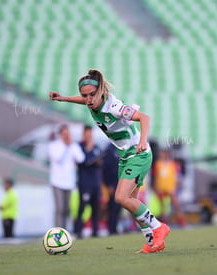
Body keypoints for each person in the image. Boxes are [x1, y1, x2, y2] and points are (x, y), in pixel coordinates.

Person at [49, 69, 170, 253]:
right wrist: (63, 98)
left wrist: (143, 141)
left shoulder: (114, 107)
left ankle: (159, 227)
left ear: (100, 92)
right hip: (125, 156)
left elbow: (144, 118)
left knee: (121, 198)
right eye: (85, 96)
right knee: (131, 202)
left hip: (139, 154)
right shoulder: (92, 103)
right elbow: (84, 100)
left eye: (91, 95)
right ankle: (152, 241)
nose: (88, 99)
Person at [48, 124, 85, 229]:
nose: (66, 136)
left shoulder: (73, 146)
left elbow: (81, 159)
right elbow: (58, 159)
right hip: (57, 181)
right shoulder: (54, 145)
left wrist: (71, 146)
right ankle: (57, 231)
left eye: (68, 134)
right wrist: (66, 147)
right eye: (64, 134)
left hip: (69, 182)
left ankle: (64, 230)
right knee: (59, 208)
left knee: (66, 209)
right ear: (60, 134)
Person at [74, 125, 102, 238]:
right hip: (84, 182)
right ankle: (78, 231)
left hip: (95, 182)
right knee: (82, 207)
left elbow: (100, 162)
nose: (89, 136)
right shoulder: (79, 147)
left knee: (95, 208)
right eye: (87, 134)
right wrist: (90, 155)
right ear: (83, 134)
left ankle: (95, 231)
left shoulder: (97, 147)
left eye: (90, 134)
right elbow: (82, 162)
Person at [153, 148, 187, 227]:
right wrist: (156, 188)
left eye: (162, 153)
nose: (161, 155)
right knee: (162, 208)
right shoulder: (157, 164)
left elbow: (178, 177)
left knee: (177, 206)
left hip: (171, 189)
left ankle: (182, 223)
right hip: (161, 188)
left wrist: (176, 187)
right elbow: (155, 177)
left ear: (166, 154)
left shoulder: (173, 164)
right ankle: (165, 224)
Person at [102, 142, 122, 235]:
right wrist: (109, 184)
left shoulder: (122, 147)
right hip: (112, 184)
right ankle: (111, 229)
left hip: (121, 182)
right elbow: (105, 168)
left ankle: (115, 227)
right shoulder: (109, 149)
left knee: (118, 207)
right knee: (112, 207)